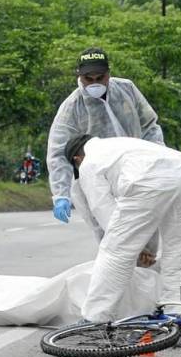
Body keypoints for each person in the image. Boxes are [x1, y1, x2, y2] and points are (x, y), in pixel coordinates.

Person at [64, 135, 181, 324]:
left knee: (115, 251)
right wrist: (142, 246)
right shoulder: (120, 144)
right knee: (179, 256)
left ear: (77, 159)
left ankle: (95, 318)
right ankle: (180, 321)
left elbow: (104, 209)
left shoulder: (88, 163)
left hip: (149, 182)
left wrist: (135, 247)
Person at [46, 47, 164, 225]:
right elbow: (58, 152)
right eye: (88, 78)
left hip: (135, 170)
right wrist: (61, 194)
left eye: (100, 77)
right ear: (79, 76)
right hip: (98, 181)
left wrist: (158, 160)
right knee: (109, 232)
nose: (94, 83)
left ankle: (145, 253)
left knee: (144, 226)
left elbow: (150, 127)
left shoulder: (127, 90)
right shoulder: (71, 107)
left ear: (109, 73)